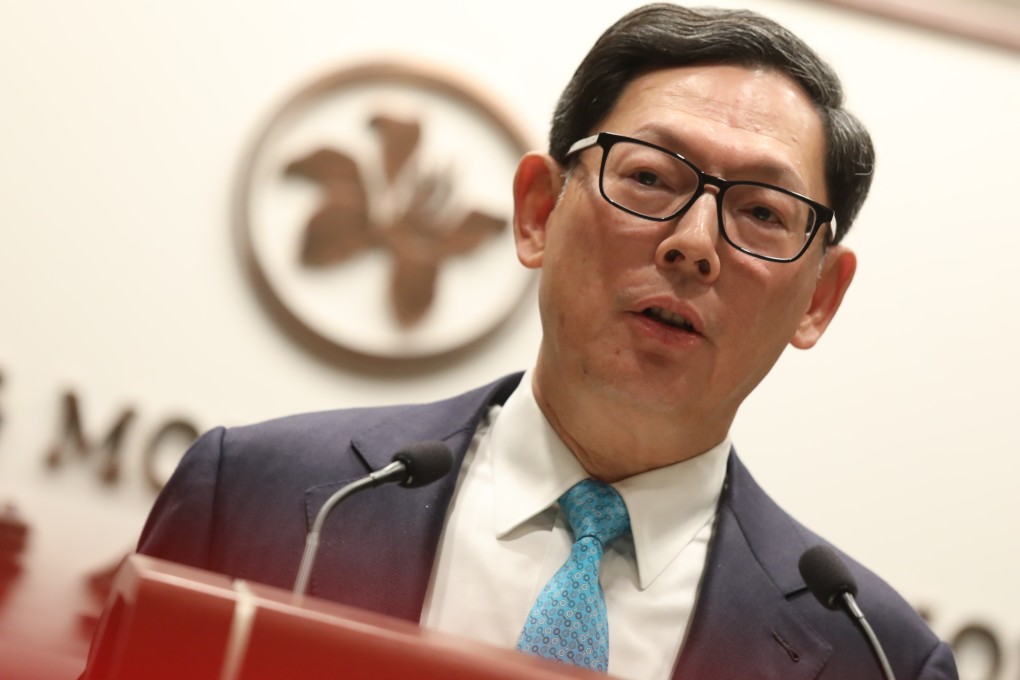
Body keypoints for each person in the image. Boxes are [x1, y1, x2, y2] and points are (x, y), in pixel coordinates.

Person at [112, 4, 958, 679]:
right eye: (650, 178)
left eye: (763, 214)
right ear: (539, 212)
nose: (694, 243)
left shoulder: (874, 658)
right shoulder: (263, 499)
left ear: (821, 298)